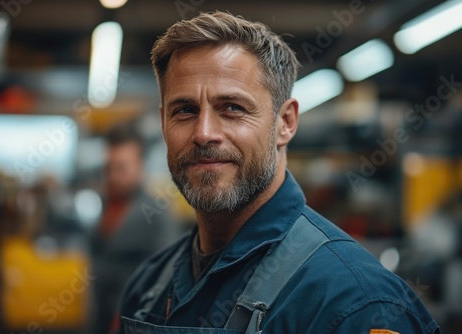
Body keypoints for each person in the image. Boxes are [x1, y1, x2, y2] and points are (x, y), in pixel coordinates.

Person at [115, 12, 440, 333]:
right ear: (163, 122)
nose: (203, 133)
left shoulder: (358, 306)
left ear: (285, 123)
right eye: (185, 110)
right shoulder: (149, 286)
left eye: (233, 108)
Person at [91, 121, 180, 334]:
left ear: (141, 166)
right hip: (99, 317)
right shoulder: (104, 205)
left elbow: (170, 276)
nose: (112, 176)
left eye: (121, 168)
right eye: (108, 168)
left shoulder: (156, 212)